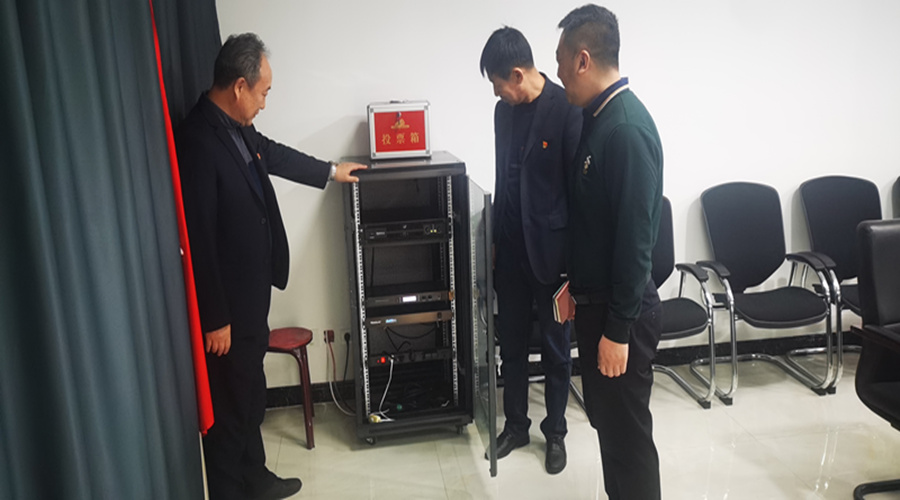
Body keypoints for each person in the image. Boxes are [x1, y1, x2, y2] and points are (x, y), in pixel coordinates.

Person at [176, 33, 365, 500]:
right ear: (239, 86)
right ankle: (229, 489)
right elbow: (199, 237)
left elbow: (275, 154)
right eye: (263, 93)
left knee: (250, 394)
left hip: (251, 296)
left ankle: (256, 477)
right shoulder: (198, 139)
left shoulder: (238, 127)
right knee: (230, 408)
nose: (264, 103)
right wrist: (215, 317)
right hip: (227, 310)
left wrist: (331, 171)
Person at [555, 5, 664, 499]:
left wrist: (618, 331)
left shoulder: (625, 129)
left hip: (622, 317)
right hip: (597, 305)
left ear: (582, 60)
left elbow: (636, 242)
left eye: (561, 62)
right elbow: (594, 223)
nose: (559, 74)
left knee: (629, 442)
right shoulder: (596, 119)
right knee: (612, 435)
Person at [479, 27, 582, 474]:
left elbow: (577, 191)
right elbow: (503, 177)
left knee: (557, 350)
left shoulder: (566, 109)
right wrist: (495, 242)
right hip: (511, 255)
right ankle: (516, 426)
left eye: (498, 83)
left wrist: (574, 263)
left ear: (517, 74)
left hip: (553, 257)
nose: (496, 93)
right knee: (513, 347)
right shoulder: (503, 113)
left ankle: (555, 432)